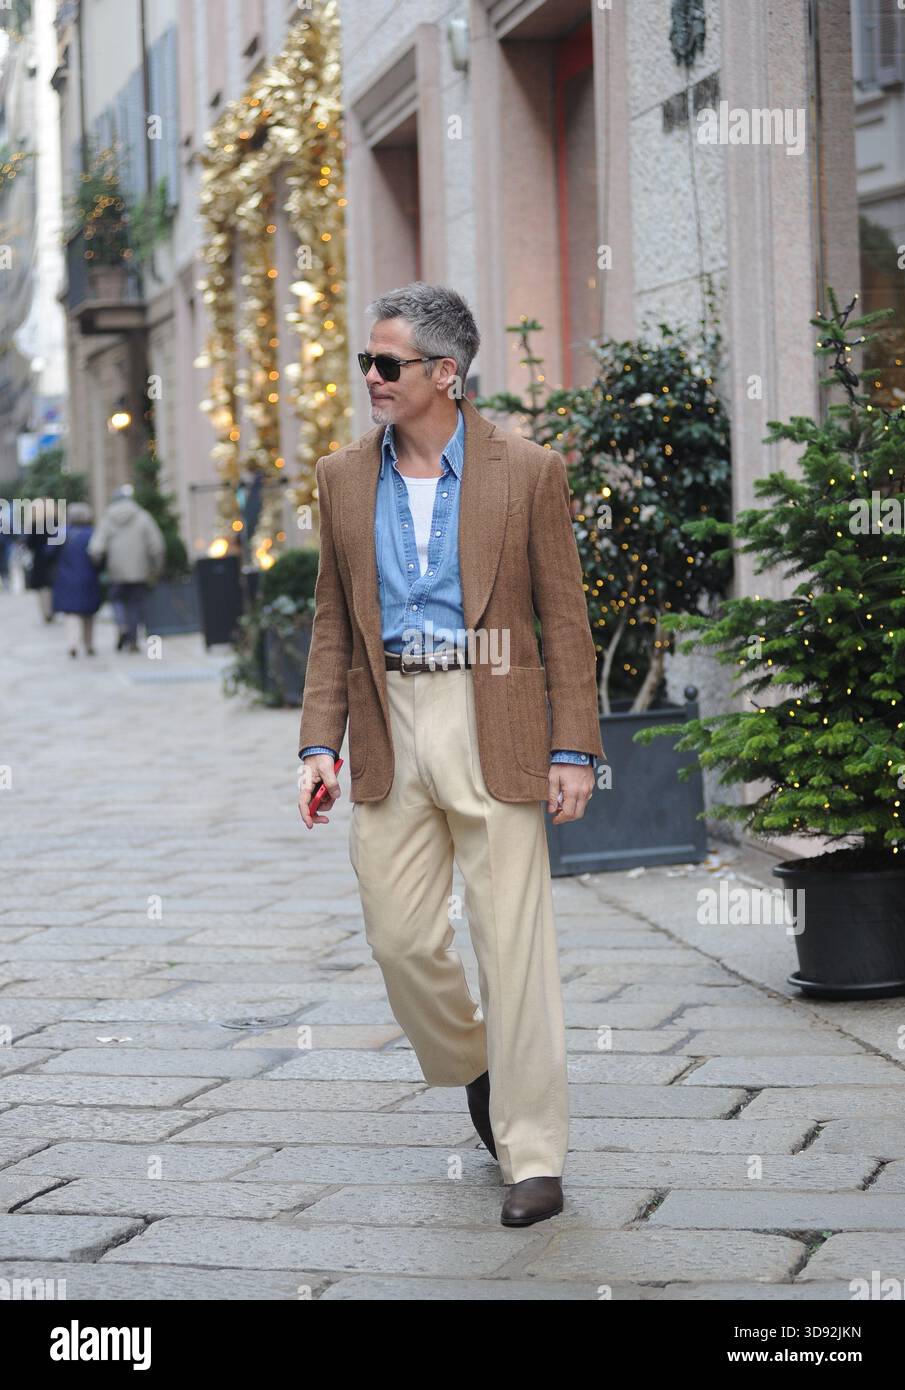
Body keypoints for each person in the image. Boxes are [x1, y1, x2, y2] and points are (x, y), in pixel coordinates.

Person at [296, 282, 605, 1228]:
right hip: (389, 716)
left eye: (388, 365)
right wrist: (319, 742)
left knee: (514, 944)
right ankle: (476, 1062)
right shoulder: (341, 476)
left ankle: (534, 1155)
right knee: (399, 937)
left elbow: (565, 618)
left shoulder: (528, 471)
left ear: (446, 374)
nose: (372, 380)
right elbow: (329, 622)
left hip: (495, 712)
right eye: (367, 362)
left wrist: (574, 748)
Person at [88, 483, 165, 651]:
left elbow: (96, 547)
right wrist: (156, 568)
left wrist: (97, 564)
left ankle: (122, 625)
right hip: (139, 570)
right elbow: (157, 546)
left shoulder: (107, 519)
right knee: (135, 605)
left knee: (117, 601)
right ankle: (132, 639)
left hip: (116, 571)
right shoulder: (143, 517)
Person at [51, 500, 103, 657]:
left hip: (66, 578)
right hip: (88, 577)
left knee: (71, 613)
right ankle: (89, 644)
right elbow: (100, 556)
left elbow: (49, 553)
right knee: (88, 613)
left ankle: (72, 643)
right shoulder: (92, 533)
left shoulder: (61, 533)